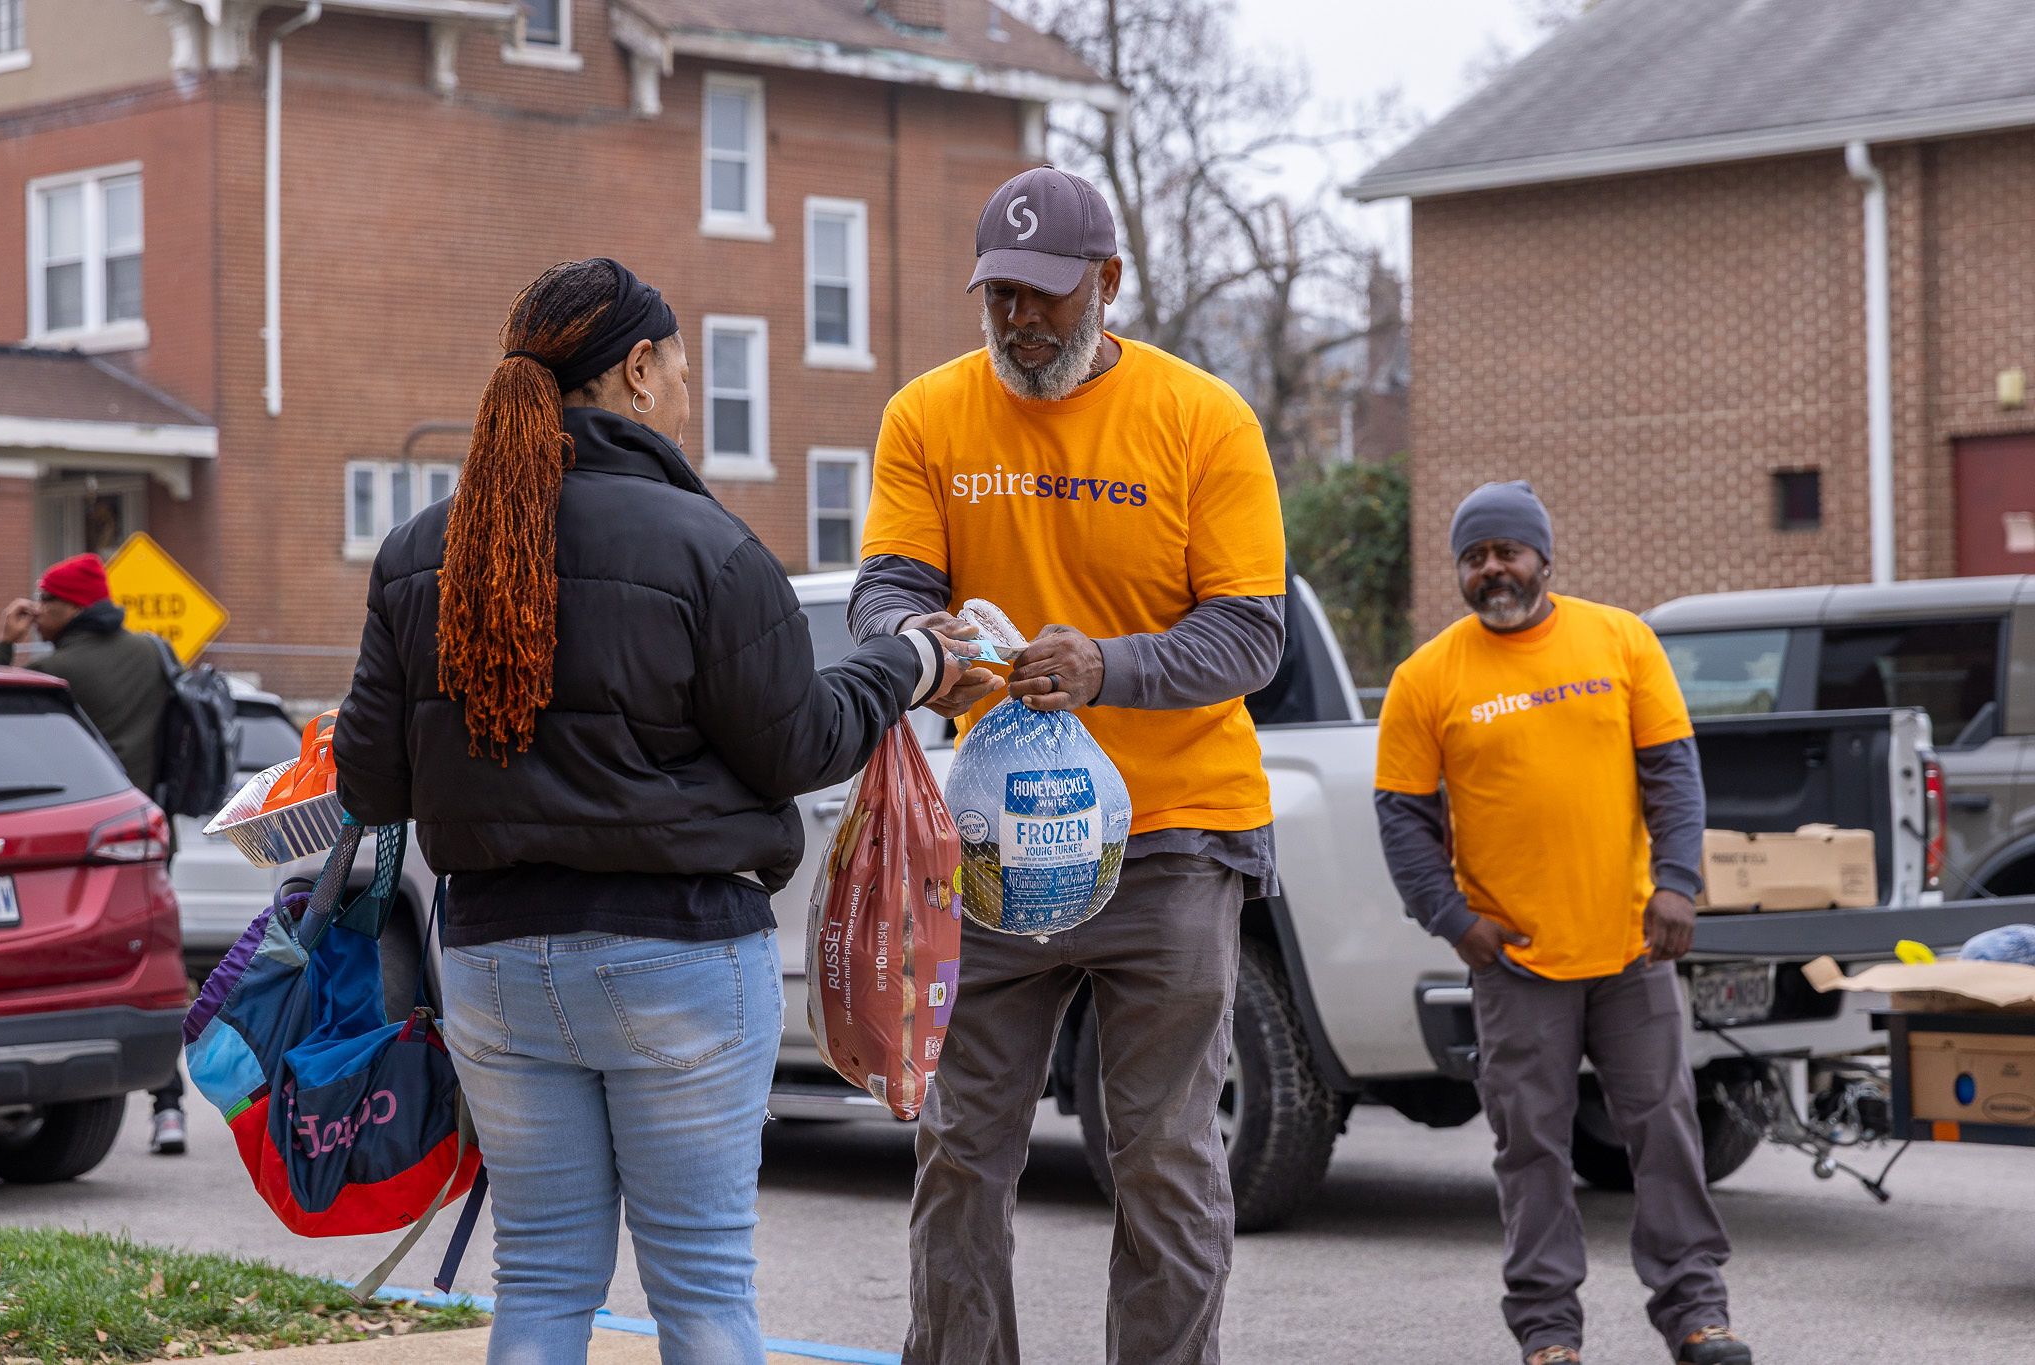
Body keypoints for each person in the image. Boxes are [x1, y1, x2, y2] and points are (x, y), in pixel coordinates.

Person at [332, 258, 973, 1365]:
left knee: (537, 1281)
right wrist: (904, 665)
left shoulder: (419, 554)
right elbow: (799, 746)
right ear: (636, 371)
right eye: (679, 367)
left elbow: (371, 786)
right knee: (704, 1294)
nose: (685, 393)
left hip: (491, 962)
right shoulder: (706, 546)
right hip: (676, 958)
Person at [849, 166, 1287, 1365]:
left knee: (1161, 1155)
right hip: (991, 843)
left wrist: (1105, 669)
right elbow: (886, 586)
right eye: (999, 296)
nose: (1020, 321)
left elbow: (1250, 632)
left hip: (1173, 837)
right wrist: (914, 642)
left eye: (1045, 296)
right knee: (960, 1146)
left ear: (1106, 283)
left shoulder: (1201, 418)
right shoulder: (927, 416)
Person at [1372, 481, 1752, 1365]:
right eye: (1475, 557)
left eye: (1507, 551)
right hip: (1514, 959)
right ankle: (1548, 1332)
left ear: (1544, 556)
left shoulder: (1620, 639)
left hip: (1630, 945)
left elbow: (1672, 772)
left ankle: (1697, 1314)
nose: (1492, 569)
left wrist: (1679, 883)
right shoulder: (1428, 676)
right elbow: (1402, 816)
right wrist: (1449, 917)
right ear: (1460, 571)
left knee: (1664, 1129)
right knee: (1530, 1146)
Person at [0, 552, 191, 1157]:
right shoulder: (153, 655)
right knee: (150, 969)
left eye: (42, 603)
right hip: (129, 834)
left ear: (69, 606)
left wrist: (5, 644)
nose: (36, 613)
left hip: (68, 832)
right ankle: (170, 1108)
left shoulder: (61, 671)